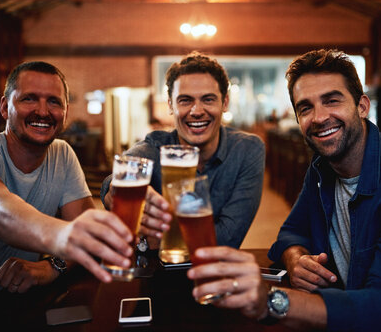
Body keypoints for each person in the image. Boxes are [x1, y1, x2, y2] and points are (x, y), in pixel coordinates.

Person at [186, 49, 381, 331]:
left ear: (362, 106)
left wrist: (271, 301)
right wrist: (296, 259)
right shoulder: (323, 167)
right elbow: (290, 234)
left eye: (332, 101)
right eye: (305, 108)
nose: (319, 117)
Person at [0, 61, 136, 317]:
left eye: (54, 102)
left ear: (66, 112)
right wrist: (64, 236)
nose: (43, 111)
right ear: (5, 107)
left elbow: (84, 236)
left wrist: (52, 267)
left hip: (13, 304)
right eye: (29, 99)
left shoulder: (62, 154)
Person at [101, 51, 265, 248]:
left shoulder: (247, 150)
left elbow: (228, 238)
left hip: (216, 272)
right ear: (171, 104)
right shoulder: (156, 147)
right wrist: (114, 187)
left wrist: (158, 240)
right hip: (160, 275)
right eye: (185, 100)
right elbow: (119, 175)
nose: (196, 111)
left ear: (225, 102)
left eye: (208, 99)